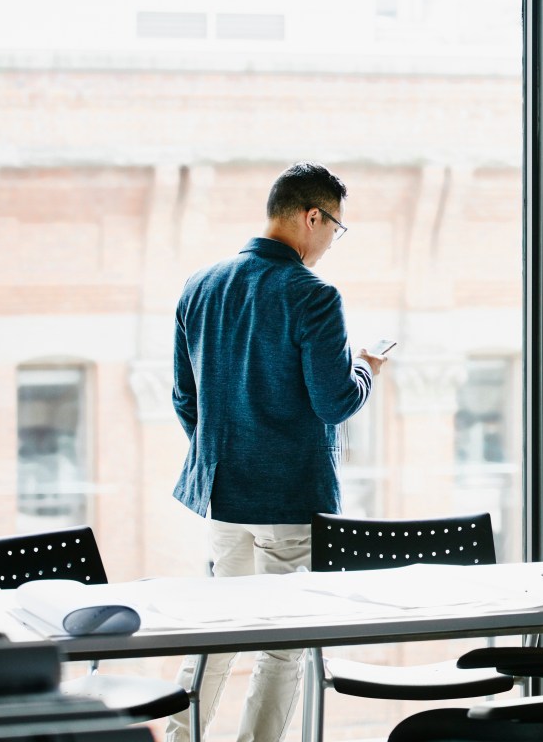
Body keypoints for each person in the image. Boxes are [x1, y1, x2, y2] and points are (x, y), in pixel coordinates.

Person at [166, 161, 387, 742]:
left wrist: (226, 448)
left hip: (222, 498)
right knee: (283, 648)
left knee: (216, 634)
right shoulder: (312, 295)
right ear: (312, 217)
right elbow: (335, 401)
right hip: (288, 499)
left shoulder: (200, 285)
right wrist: (366, 368)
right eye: (335, 228)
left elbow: (184, 399)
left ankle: (180, 737)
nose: (331, 243)